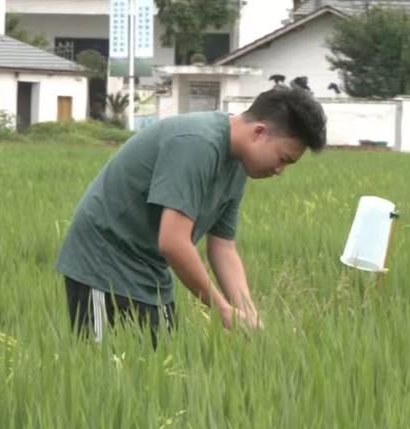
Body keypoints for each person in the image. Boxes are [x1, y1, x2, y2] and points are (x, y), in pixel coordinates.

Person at [56, 87, 327, 344]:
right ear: (259, 132)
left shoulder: (237, 163)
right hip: (103, 263)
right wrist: (223, 310)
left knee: (157, 365)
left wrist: (248, 314)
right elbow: (173, 243)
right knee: (109, 367)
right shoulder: (197, 144)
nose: (280, 170)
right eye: (283, 159)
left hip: (150, 269)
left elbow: (223, 247)